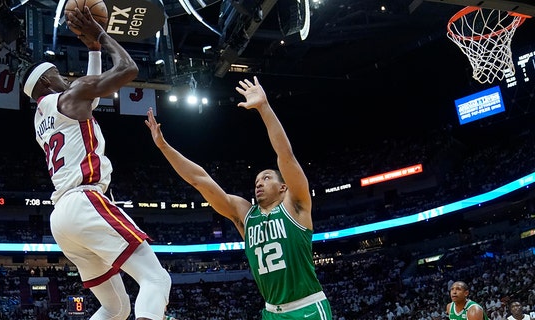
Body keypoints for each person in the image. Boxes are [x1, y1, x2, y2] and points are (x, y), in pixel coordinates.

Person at [18, 6, 171, 320]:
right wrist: (101, 34)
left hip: (61, 219)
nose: (66, 78)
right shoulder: (69, 97)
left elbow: (92, 93)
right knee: (156, 279)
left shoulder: (42, 119)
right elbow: (128, 70)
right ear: (47, 84)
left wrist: (94, 50)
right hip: (84, 201)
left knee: (116, 308)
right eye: (58, 75)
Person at [145, 76, 332, 319]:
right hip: (271, 312)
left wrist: (264, 108)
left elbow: (285, 155)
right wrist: (164, 147)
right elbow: (199, 179)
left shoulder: (296, 205)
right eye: (256, 181)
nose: (259, 183)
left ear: (283, 187)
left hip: (307, 307)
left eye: (266, 178)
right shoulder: (245, 214)